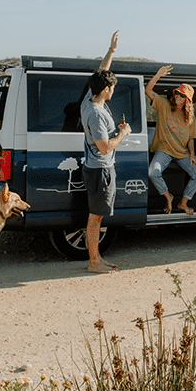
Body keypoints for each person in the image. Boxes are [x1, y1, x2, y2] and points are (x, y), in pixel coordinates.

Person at [80, 31, 131, 273]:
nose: (114, 90)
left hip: (97, 168)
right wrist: (123, 133)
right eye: (112, 87)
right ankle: (93, 262)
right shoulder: (96, 114)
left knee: (97, 216)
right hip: (100, 170)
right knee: (96, 218)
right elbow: (104, 146)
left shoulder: (90, 101)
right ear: (106, 89)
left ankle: (97, 258)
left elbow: (99, 74)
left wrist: (111, 51)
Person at [145, 65, 196, 216]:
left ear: (188, 100)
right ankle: (168, 196)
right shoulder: (164, 104)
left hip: (182, 152)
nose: (178, 96)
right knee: (153, 172)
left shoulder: (190, 117)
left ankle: (183, 203)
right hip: (164, 149)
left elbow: (191, 138)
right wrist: (158, 74)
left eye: (182, 95)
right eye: (177, 93)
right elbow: (148, 91)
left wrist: (192, 154)